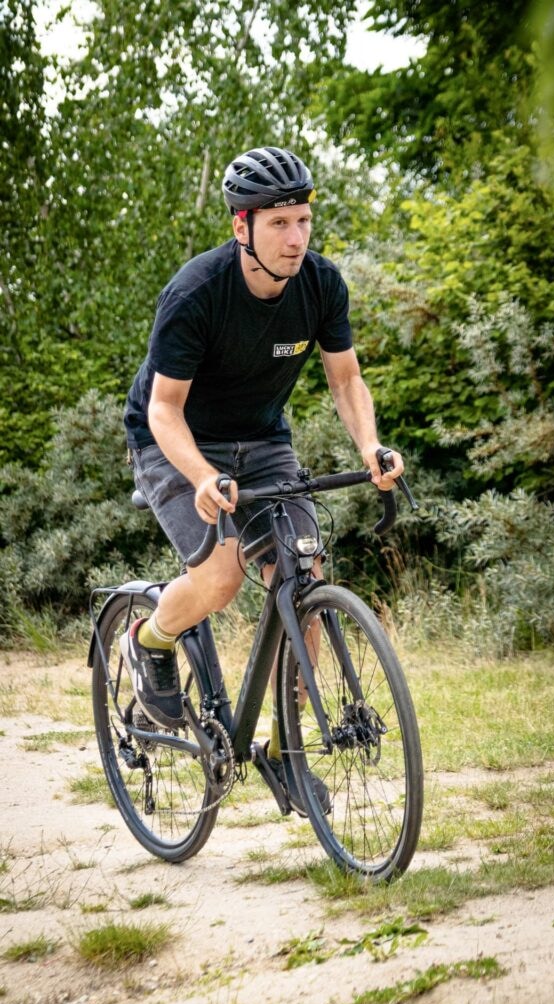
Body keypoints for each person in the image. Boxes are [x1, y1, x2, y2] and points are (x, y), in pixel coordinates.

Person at [121, 145, 404, 811]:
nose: (296, 237)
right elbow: (164, 409)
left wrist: (370, 446)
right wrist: (199, 476)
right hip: (175, 440)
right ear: (240, 227)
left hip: (263, 440)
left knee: (302, 574)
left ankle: (284, 750)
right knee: (219, 579)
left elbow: (346, 378)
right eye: (278, 224)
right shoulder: (196, 292)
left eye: (303, 219)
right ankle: (148, 641)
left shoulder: (321, 285)